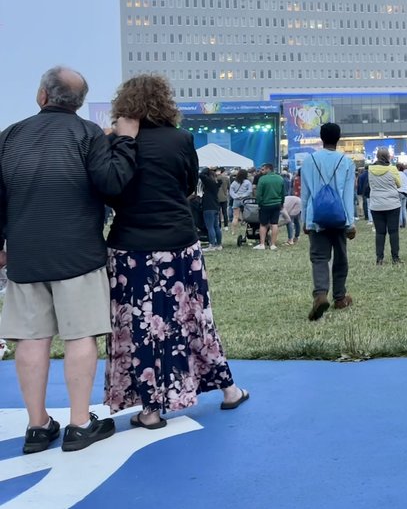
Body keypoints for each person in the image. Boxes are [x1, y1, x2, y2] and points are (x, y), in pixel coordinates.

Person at [0, 66, 138, 453]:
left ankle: (38, 425)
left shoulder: (8, 136)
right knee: (80, 335)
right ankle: (80, 425)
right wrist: (125, 142)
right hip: (79, 252)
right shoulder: (87, 134)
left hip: (25, 253)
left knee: (31, 338)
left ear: (42, 95)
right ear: (77, 103)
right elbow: (112, 185)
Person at [103, 74, 249, 427]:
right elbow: (187, 185)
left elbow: (110, 191)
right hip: (179, 244)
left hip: (130, 246)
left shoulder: (118, 143)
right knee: (194, 317)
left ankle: (150, 409)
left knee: (138, 324)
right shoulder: (182, 139)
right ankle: (227, 389)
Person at [300, 123, 357, 320]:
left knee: (319, 257)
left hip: (316, 217)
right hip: (340, 216)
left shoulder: (309, 161)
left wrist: (305, 221)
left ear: (321, 138)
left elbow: (305, 194)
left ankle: (321, 294)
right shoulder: (346, 161)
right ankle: (340, 297)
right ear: (338, 138)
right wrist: (350, 222)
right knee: (341, 257)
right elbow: (348, 194)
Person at [368, 148, 402, 265]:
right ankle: (395, 258)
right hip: (392, 204)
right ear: (388, 156)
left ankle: (379, 258)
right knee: (393, 232)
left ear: (377, 156)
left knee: (380, 232)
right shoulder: (392, 169)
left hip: (376, 205)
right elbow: (399, 184)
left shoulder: (370, 169)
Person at [253, 163, 285, 250]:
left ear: (268, 169)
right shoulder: (280, 178)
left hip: (265, 205)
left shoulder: (262, 179)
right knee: (274, 224)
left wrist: (259, 203)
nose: (262, 171)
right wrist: (282, 203)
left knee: (263, 224)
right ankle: (273, 244)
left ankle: (262, 244)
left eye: (263, 169)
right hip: (277, 204)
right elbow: (283, 193)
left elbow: (259, 194)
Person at [198, 167, 223, 251]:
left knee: (210, 227)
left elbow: (201, 174)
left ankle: (212, 244)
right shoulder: (216, 183)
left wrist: (207, 168)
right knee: (216, 226)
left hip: (208, 206)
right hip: (215, 206)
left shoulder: (209, 182)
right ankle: (219, 244)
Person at [229, 169, 252, 237]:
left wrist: (236, 196)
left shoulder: (235, 182)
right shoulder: (248, 182)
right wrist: (243, 195)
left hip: (236, 200)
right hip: (246, 200)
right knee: (248, 216)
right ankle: (248, 229)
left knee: (235, 216)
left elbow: (231, 191)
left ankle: (233, 231)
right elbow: (249, 191)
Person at [396, 162, 407, 228]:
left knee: (399, 209)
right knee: (404, 208)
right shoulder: (404, 175)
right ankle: (406, 223)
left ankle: (400, 223)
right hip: (405, 192)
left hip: (399, 191)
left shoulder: (397, 174)